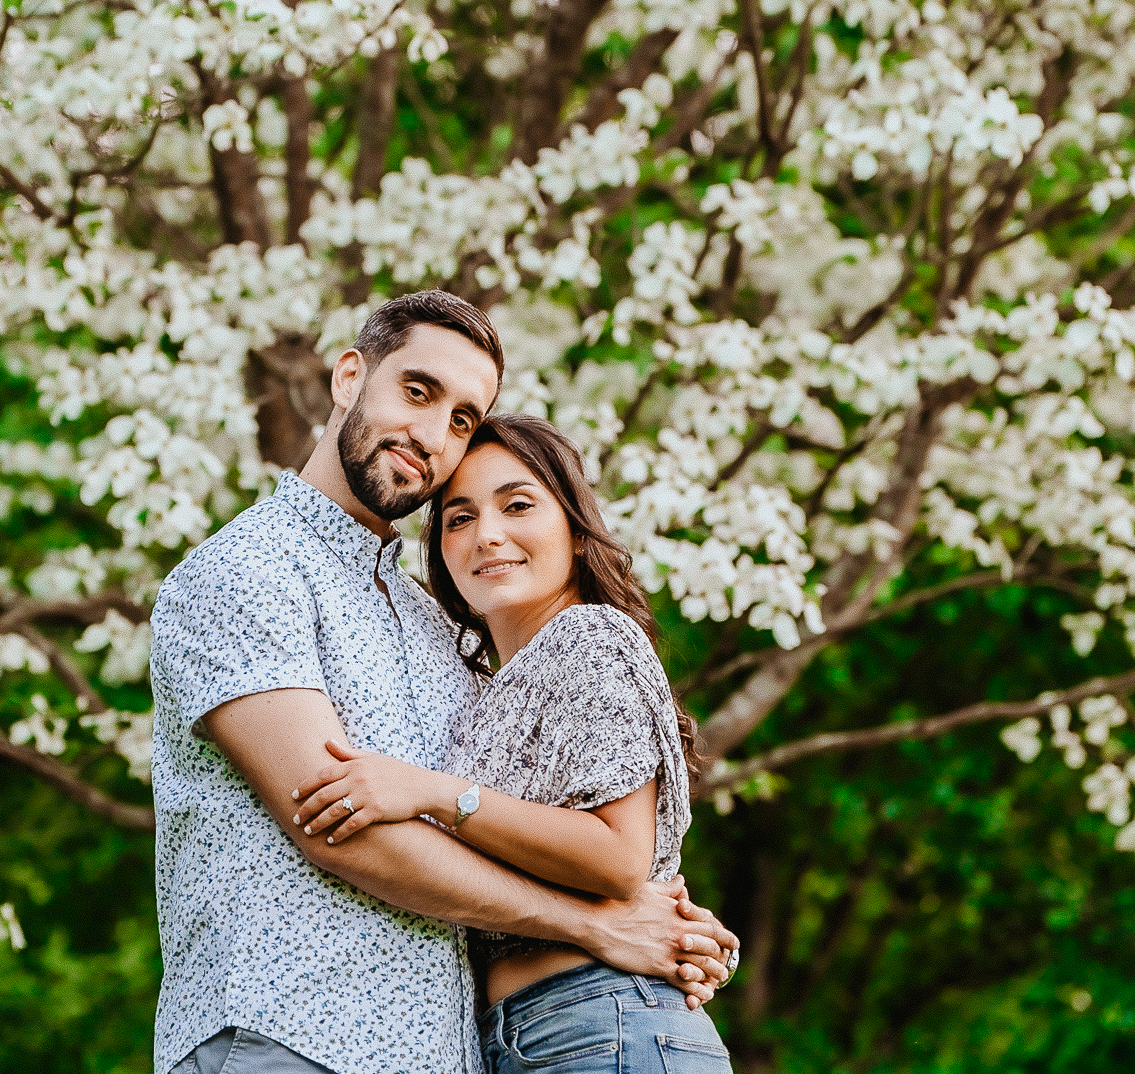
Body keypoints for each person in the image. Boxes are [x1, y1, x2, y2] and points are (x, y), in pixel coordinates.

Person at [149, 291, 738, 1074]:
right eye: (417, 392)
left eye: (462, 419)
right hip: (285, 1034)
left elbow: (534, 823)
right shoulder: (248, 570)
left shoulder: (435, 626)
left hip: (448, 1052)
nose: (432, 434)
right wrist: (594, 925)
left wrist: (658, 916)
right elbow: (338, 827)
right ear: (349, 377)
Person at [292, 413, 736, 1072]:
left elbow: (617, 858)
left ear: (576, 531)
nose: (487, 535)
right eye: (459, 518)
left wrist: (433, 794)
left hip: (601, 1021)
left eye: (517, 505)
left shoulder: (589, 636)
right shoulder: (491, 684)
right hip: (536, 1032)